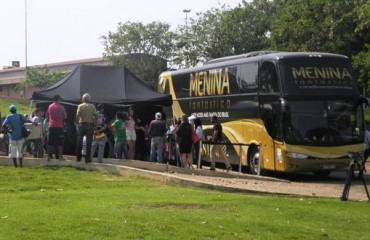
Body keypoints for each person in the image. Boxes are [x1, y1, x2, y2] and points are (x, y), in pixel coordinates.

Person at [45, 95, 67, 161]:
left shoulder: (50, 106)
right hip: (59, 126)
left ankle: (48, 157)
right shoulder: (61, 107)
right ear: (58, 99)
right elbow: (65, 116)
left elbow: (47, 115)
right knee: (60, 143)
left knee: (50, 142)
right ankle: (60, 157)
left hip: (51, 126)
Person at [76, 93, 96, 163]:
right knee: (89, 143)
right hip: (89, 125)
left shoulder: (80, 106)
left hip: (81, 124)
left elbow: (77, 115)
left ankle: (78, 158)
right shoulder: (92, 106)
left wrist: (77, 123)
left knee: (79, 142)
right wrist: (95, 125)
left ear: (83, 99)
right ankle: (87, 159)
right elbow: (95, 116)